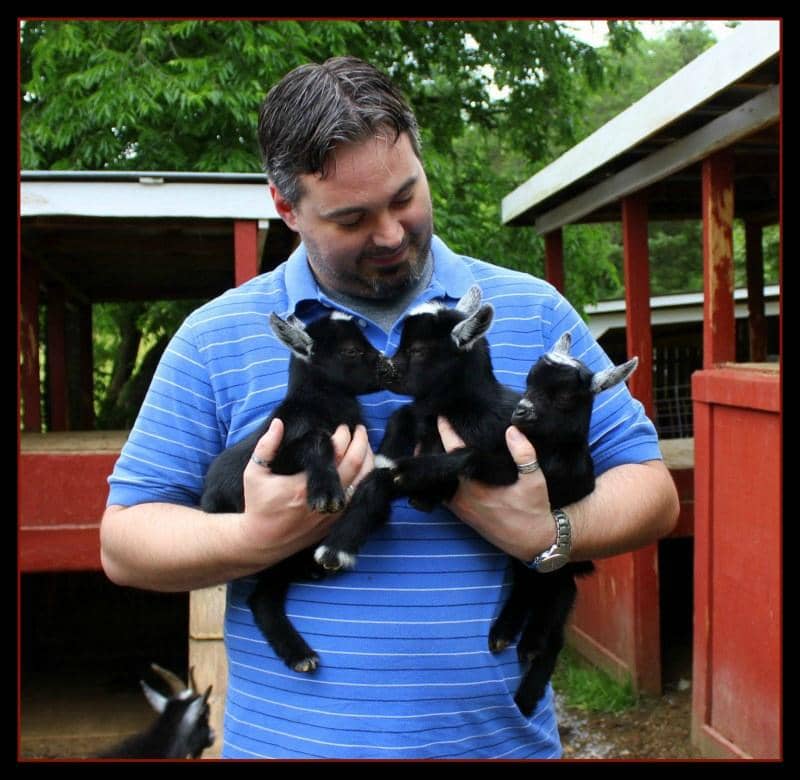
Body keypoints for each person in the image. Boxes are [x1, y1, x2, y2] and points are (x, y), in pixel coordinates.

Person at [101, 56, 679, 760]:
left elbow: (652, 493)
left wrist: (549, 528)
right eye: (352, 217)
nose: (391, 234)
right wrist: (254, 537)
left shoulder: (532, 312)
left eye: (405, 196)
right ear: (286, 208)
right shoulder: (215, 337)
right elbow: (125, 543)